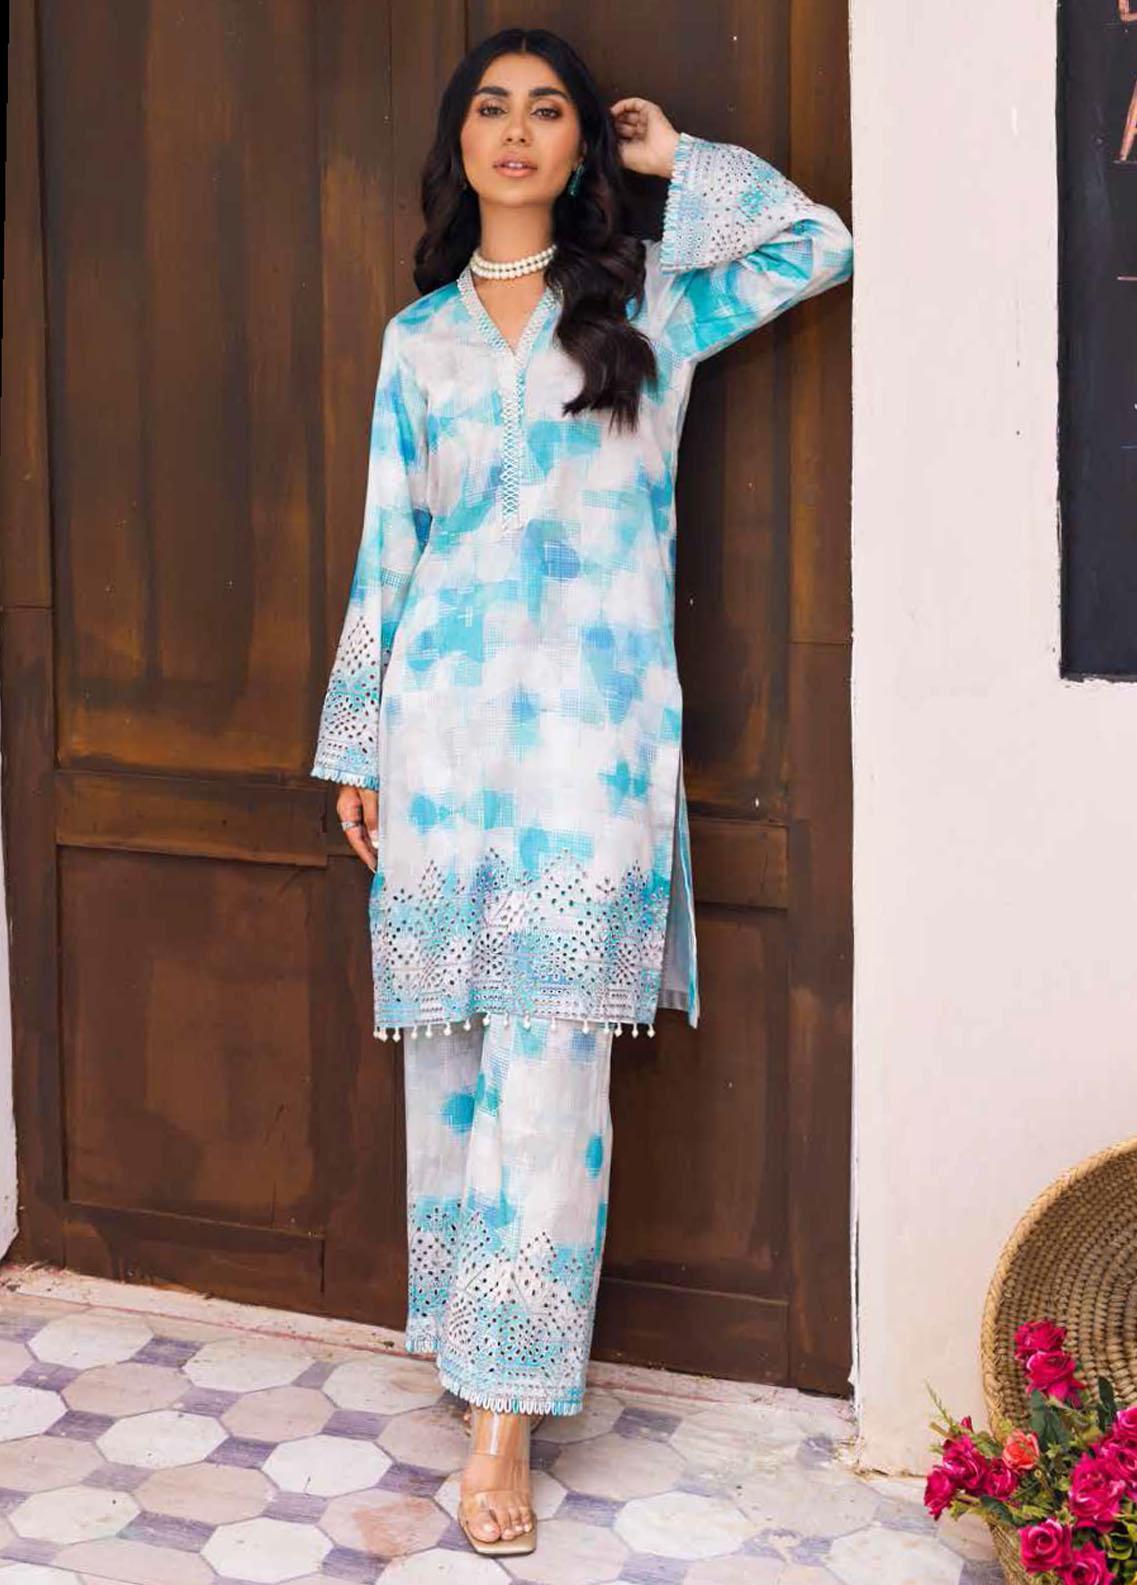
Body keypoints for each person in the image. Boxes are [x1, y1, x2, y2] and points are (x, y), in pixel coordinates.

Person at [310, 24, 853, 1558]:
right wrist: (357, 742)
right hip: (441, 737)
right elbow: (388, 546)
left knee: (553, 1072)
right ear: (458, 142)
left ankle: (507, 1418)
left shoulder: (646, 306)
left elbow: (818, 245)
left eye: (547, 110)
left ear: (578, 148)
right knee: (454, 1059)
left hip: (591, 752)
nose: (516, 129)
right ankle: (470, 1345)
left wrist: (677, 160)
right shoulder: (418, 339)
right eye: (491, 107)